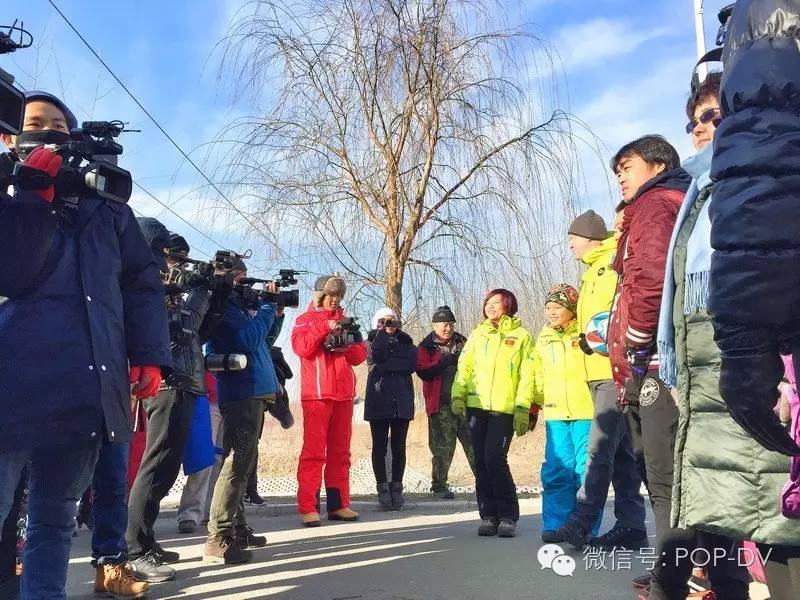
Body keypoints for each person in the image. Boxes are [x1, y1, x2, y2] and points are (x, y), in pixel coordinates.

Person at [0, 91, 170, 600]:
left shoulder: (106, 206)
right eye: (35, 122)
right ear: (10, 137)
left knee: (54, 518)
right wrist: (30, 195)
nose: (48, 131)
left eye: (58, 124)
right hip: (11, 384)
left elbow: (141, 282)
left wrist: (150, 354)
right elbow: (14, 273)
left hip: (85, 383)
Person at [657, 64, 799, 600]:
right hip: (707, 379)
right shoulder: (700, 192)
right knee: (727, 512)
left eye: (713, 116)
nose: (700, 127)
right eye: (694, 119)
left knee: (780, 518)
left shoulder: (768, 180)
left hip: (759, 370)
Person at [605, 134, 695, 599]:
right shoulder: (668, 201)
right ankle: (681, 571)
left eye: (627, 166)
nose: (620, 176)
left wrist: (637, 342)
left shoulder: (656, 204)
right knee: (667, 476)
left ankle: (673, 581)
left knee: (664, 479)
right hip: (652, 363)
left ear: (658, 165)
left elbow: (650, 277)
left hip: (655, 365)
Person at [125, 221, 234, 581]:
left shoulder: (174, 299)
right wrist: (187, 283)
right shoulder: (143, 286)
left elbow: (198, 324)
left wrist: (214, 289)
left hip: (187, 381)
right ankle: (134, 547)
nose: (173, 265)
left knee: (167, 467)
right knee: (156, 464)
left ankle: (145, 539)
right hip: (166, 383)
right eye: (169, 257)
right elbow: (156, 317)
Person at [553, 211, 646, 551]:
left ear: (590, 237)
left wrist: (599, 338)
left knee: (599, 447)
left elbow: (620, 312)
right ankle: (632, 525)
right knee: (621, 453)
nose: (570, 245)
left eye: (572, 239)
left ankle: (582, 520)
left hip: (613, 372)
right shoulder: (591, 271)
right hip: (595, 374)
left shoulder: (613, 262)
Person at [202, 263, 278, 564]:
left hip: (254, 391)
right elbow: (246, 341)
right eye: (241, 279)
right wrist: (267, 308)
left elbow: (264, 341)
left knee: (243, 465)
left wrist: (275, 313)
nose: (246, 286)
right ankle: (218, 537)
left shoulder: (241, 309)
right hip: (241, 392)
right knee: (236, 463)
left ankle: (236, 529)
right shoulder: (224, 307)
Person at [452, 289, 535, 538]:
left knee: (495, 458)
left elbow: (527, 376)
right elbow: (464, 367)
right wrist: (458, 394)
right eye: (488, 302)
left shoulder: (522, 336)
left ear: (508, 305)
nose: (490, 306)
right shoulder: (477, 335)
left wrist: (524, 407)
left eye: (496, 302)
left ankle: (508, 516)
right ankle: (488, 515)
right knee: (480, 460)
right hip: (477, 406)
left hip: (504, 409)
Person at [292, 275, 367, 527]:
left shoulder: (347, 321)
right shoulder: (305, 320)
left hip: (343, 395)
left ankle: (338, 504)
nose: (334, 300)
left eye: (338, 296)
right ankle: (309, 506)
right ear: (320, 296)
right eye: (330, 295)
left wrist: (348, 341)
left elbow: (358, 357)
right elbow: (302, 348)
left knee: (341, 453)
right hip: (317, 395)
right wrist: (325, 327)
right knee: (314, 452)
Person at [532, 284, 598, 541]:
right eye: (548, 307)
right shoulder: (543, 338)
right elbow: (537, 375)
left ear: (571, 308)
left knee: (585, 471)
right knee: (557, 470)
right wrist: (533, 404)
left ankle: (584, 526)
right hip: (556, 413)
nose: (551, 312)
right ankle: (556, 525)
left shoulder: (586, 333)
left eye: (557, 307)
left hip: (586, 411)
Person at [416, 305, 475, 500]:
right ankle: (439, 486)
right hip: (439, 404)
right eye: (443, 324)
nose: (447, 328)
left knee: (474, 445)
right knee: (442, 448)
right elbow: (423, 371)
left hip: (465, 403)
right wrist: (445, 361)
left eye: (450, 324)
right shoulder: (426, 346)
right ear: (434, 325)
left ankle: (484, 483)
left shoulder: (464, 342)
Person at [365, 308, 417, 510]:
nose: (389, 324)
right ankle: (382, 488)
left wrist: (387, 364)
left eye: (392, 320)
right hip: (379, 399)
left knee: (399, 446)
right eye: (384, 321)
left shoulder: (406, 341)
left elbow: (410, 364)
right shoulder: (371, 342)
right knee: (379, 446)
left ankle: (397, 487)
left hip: (401, 400)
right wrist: (381, 335)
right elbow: (377, 357)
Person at [177, 371, 223, 534]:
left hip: (232, 398)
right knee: (203, 459)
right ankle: (190, 512)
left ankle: (212, 510)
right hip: (207, 398)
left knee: (222, 461)